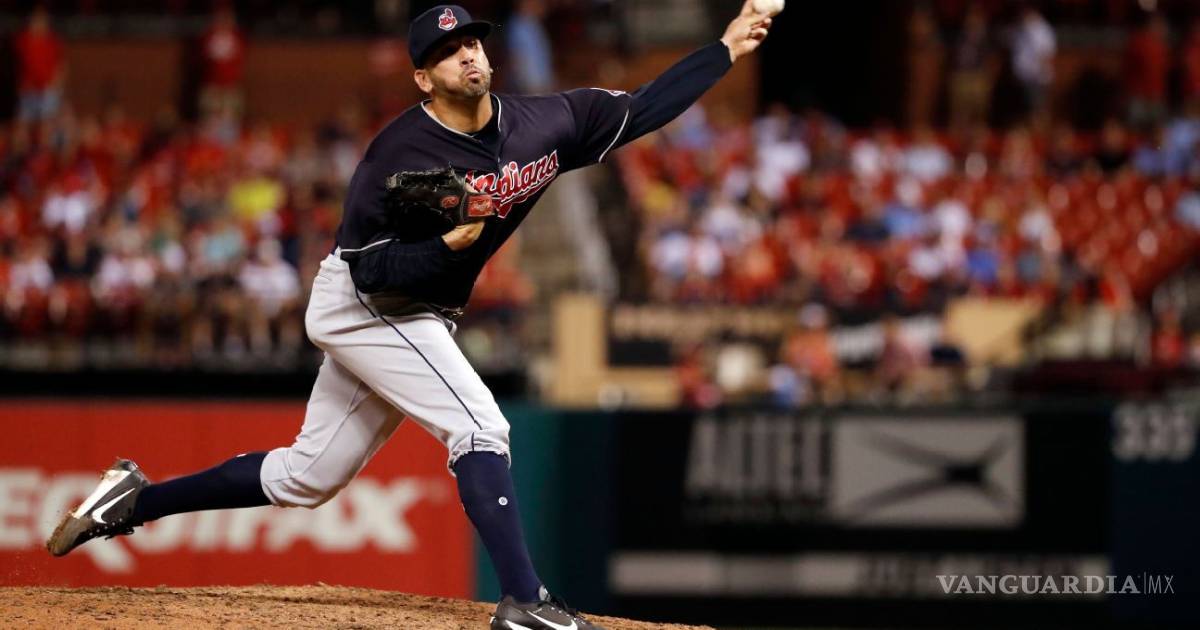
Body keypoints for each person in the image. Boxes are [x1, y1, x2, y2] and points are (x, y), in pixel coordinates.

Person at [44, 4, 775, 630]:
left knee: (308, 477)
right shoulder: (395, 152)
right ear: (424, 77)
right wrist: (443, 247)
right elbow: (368, 268)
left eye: (472, 42)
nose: (468, 54)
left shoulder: (546, 122)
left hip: (421, 309)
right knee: (480, 425)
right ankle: (525, 600)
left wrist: (724, 48)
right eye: (448, 52)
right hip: (367, 301)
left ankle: (133, 502)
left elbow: (643, 107)